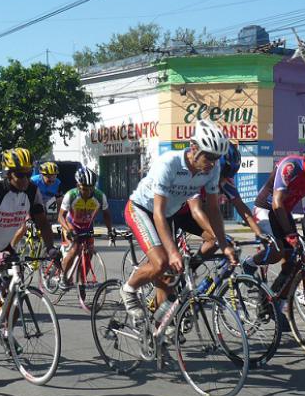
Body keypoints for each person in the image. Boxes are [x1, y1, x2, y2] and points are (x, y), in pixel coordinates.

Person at [121, 120, 238, 320]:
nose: (212, 163)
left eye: (216, 158)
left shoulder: (213, 169)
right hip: (141, 209)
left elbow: (213, 209)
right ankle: (128, 289)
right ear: (194, 148)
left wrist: (224, 244)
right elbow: (158, 212)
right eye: (209, 157)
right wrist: (173, 252)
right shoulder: (170, 163)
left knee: (170, 275)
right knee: (162, 262)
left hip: (167, 215)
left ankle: (158, 326)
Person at [239, 136, 305, 330]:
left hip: (283, 212)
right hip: (266, 208)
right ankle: (249, 263)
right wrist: (290, 233)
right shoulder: (291, 166)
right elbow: (277, 202)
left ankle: (273, 305)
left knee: (295, 263)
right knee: (279, 250)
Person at [0, 148, 60, 360]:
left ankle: (5, 332)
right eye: (20, 174)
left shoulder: (32, 191)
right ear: (8, 172)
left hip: (5, 246)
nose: (25, 179)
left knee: (17, 293)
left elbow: (43, 223)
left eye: (29, 174)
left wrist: (51, 248)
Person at [172, 140, 265, 257]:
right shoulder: (198, 175)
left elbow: (240, 206)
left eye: (227, 176)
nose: (224, 180)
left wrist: (260, 233)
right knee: (166, 262)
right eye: (222, 175)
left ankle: (192, 268)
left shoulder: (224, 180)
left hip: (187, 215)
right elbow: (196, 211)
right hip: (172, 214)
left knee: (215, 241)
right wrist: (220, 237)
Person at [56, 166, 113, 290]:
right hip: (71, 225)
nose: (87, 192)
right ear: (78, 185)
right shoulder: (71, 195)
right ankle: (64, 277)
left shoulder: (99, 196)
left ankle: (82, 280)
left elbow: (107, 214)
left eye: (90, 188)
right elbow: (61, 217)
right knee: (75, 249)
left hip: (87, 227)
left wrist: (110, 231)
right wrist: (69, 230)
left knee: (90, 252)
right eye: (84, 189)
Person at [10, 161, 61, 248]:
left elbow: (59, 199)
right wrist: (27, 216)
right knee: (24, 228)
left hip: (42, 205)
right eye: (48, 176)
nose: (52, 179)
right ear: (41, 175)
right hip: (27, 203)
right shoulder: (33, 181)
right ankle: (10, 249)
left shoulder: (58, 183)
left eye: (54, 176)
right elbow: (24, 198)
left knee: (46, 228)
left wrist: (58, 216)